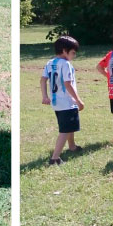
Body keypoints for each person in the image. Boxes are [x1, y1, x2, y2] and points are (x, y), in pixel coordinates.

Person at [41, 35, 85, 165]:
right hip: (67, 102)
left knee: (68, 126)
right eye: (73, 53)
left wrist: (45, 96)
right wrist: (78, 100)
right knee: (64, 130)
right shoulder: (66, 64)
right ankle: (55, 158)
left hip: (56, 103)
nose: (74, 56)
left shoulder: (50, 63)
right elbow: (68, 84)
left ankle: (72, 146)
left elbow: (43, 80)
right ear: (65, 51)